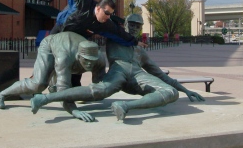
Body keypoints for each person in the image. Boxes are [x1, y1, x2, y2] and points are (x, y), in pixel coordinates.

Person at [30, 14, 204, 122]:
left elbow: (159, 74)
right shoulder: (113, 36)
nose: (135, 28)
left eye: (138, 25)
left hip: (137, 75)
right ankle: (44, 99)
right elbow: (98, 19)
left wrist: (185, 90)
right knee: (98, 91)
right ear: (125, 24)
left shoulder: (139, 51)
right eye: (132, 24)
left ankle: (125, 106)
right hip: (118, 71)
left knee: (170, 93)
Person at [49, 0, 146, 87]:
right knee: (47, 54)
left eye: (111, 14)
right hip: (62, 28)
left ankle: (75, 86)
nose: (108, 17)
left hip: (79, 37)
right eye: (106, 13)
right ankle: (39, 79)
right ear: (98, 8)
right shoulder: (82, 3)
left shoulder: (105, 24)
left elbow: (119, 33)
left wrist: (135, 41)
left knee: (80, 57)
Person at [0, 32, 106, 122]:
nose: (90, 64)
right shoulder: (65, 58)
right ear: (78, 56)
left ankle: (53, 85)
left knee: (60, 81)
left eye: (92, 61)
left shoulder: (99, 60)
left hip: (66, 45)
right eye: (86, 60)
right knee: (38, 84)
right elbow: (63, 90)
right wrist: (74, 111)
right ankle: (1, 95)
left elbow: (99, 87)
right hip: (50, 46)